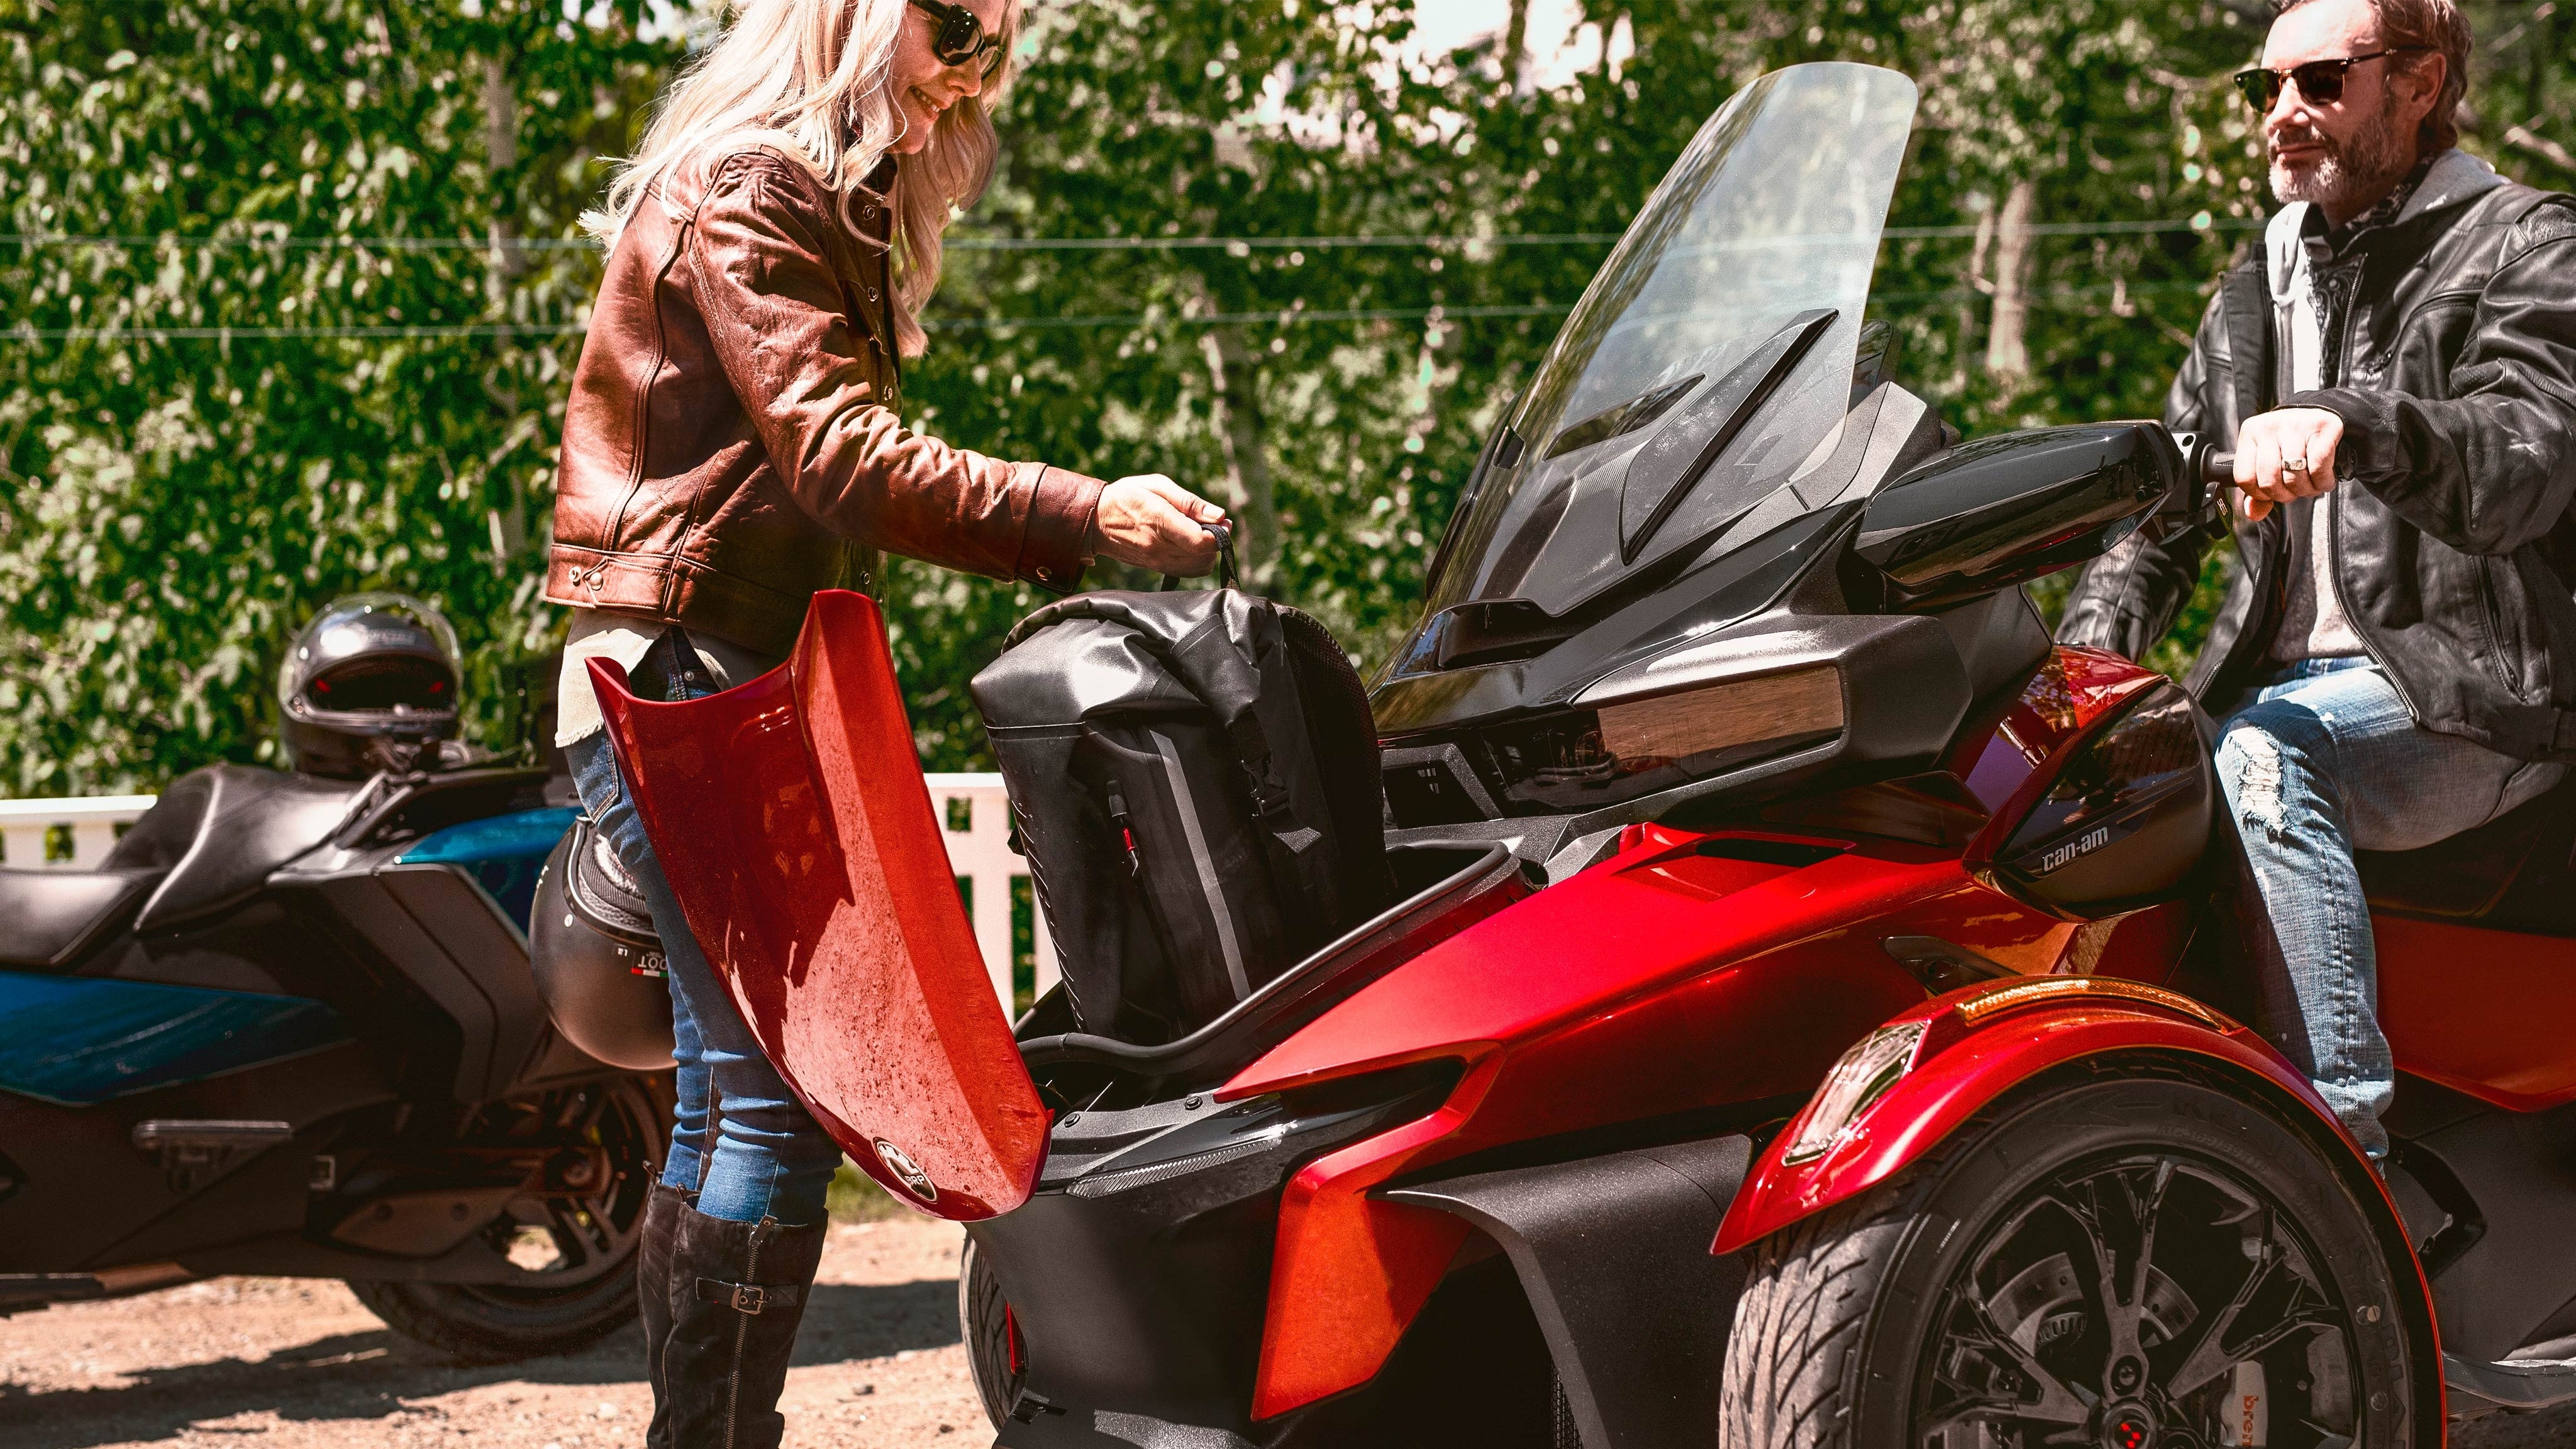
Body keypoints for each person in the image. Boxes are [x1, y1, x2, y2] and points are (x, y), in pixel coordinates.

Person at [543, 0, 1225, 1442]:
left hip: (698, 667)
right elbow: (844, 458)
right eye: (955, 19)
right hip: (682, 674)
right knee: (773, 1103)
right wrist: (1083, 508)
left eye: (1001, 35)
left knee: (732, 1104)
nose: (976, 58)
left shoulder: (810, 196)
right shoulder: (752, 185)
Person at [2060, 0, 2576, 1160]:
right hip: (2285, 686)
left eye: (2322, 82)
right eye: (2265, 88)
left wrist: (2358, 423)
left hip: (2469, 696)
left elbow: (2525, 461)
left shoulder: (2524, 243)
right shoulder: (2264, 279)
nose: (2282, 115)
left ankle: (2337, 1154)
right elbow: (2161, 513)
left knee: (2263, 751)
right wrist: (2076, 682)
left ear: (2421, 81)